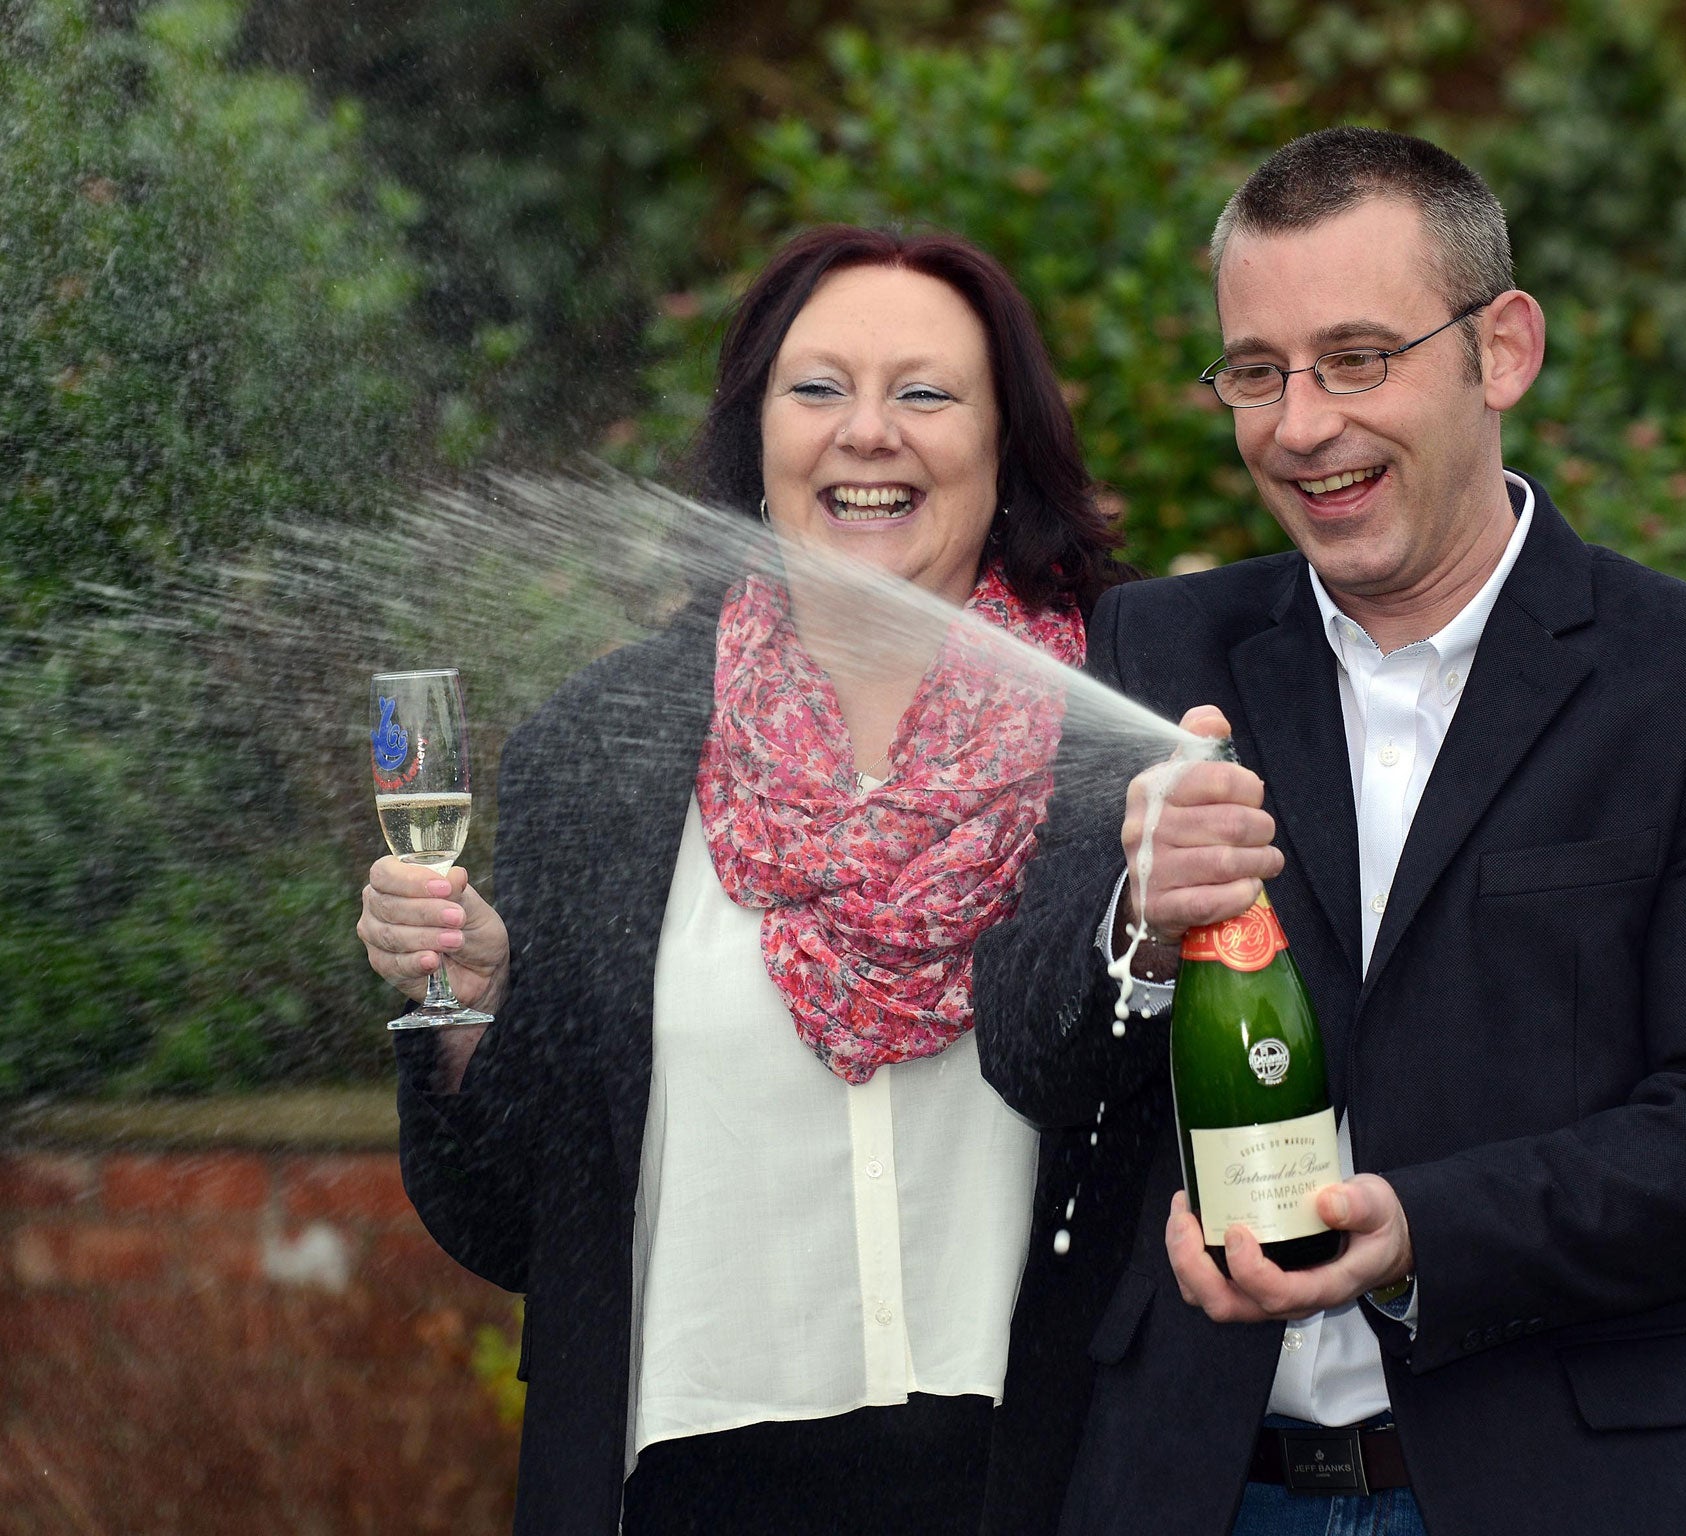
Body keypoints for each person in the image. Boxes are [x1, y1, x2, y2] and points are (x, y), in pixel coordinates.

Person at [974, 126, 1686, 1536]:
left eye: (1358, 357)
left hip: (1581, 1493)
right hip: (1202, 1490)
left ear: (1502, 349)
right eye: (1256, 372)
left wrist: (1416, 1234)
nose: (1301, 424)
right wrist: (1134, 924)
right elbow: (1029, 1057)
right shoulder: (1157, 646)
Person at [354, 225, 1128, 1536]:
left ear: (1007, 452)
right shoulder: (601, 755)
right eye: (816, 389)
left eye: (926, 393)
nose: (866, 434)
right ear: (755, 447)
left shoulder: (1124, 723)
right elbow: (511, 1219)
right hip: (699, 1493)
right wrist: (468, 1006)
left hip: (1059, 1481)